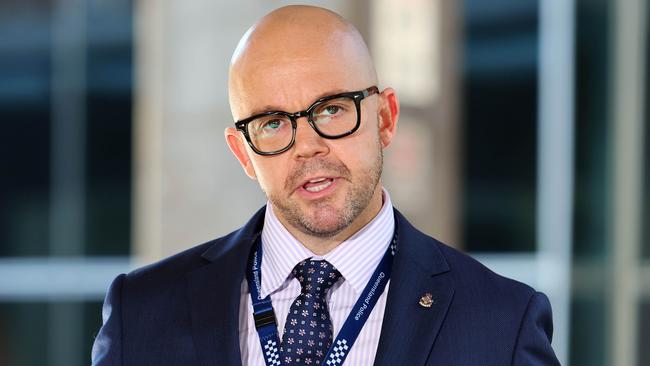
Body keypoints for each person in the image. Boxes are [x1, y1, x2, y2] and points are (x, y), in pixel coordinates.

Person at [92, 5, 559, 366]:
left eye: (332, 110)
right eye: (273, 123)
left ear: (385, 118)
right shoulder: (141, 316)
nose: (308, 147)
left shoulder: (501, 326)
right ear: (243, 153)